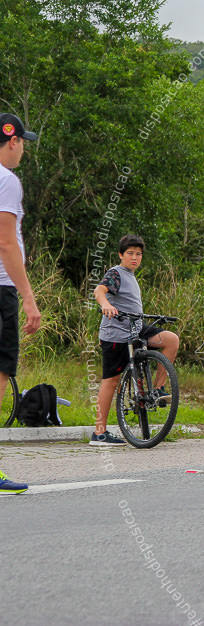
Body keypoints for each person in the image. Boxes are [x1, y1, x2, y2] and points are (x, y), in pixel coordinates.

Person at [93, 235, 180, 445]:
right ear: (121, 255)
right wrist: (105, 304)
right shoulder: (116, 273)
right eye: (130, 253)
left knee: (171, 340)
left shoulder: (131, 275)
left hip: (136, 328)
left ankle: (158, 390)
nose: (134, 257)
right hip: (115, 333)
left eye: (138, 254)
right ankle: (99, 433)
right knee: (111, 381)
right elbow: (99, 291)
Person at [0, 113, 41, 492]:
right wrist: (28, 297)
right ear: (12, 141)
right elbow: (7, 242)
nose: (23, 149)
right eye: (23, 142)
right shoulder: (6, 180)